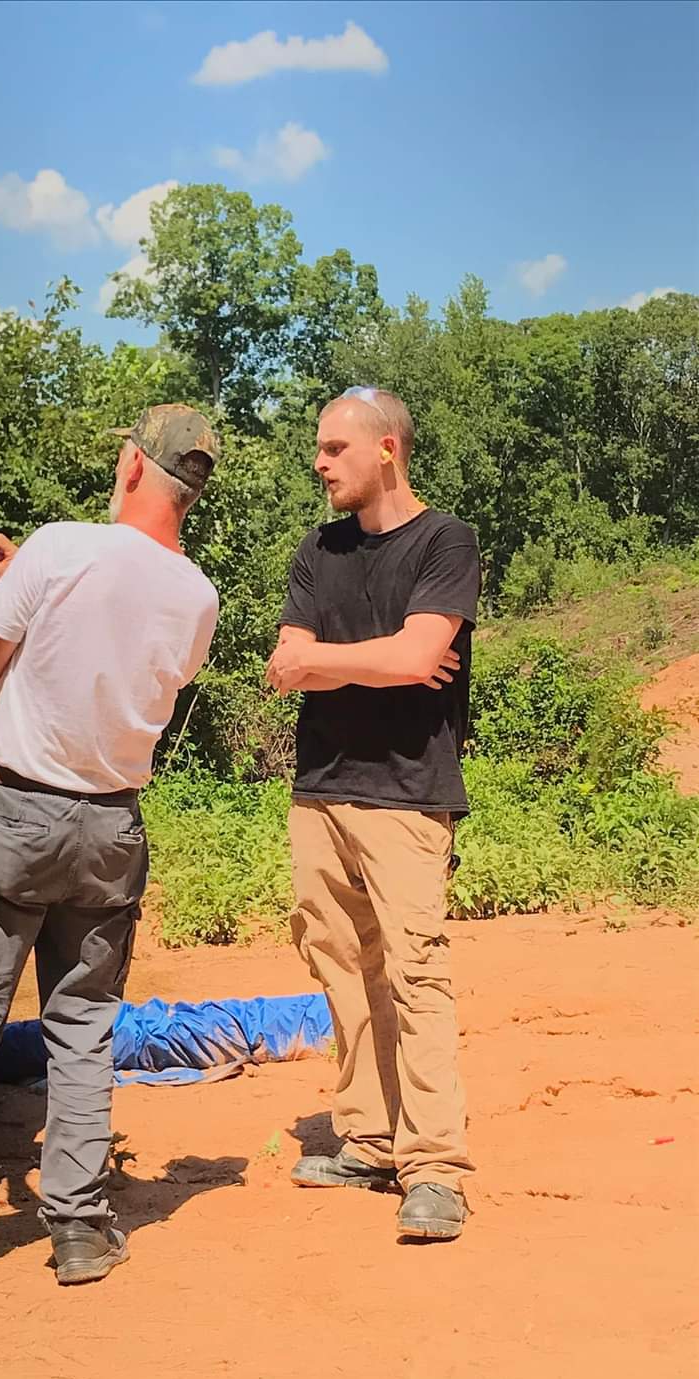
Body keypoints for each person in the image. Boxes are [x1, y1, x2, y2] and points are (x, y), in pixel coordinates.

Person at [0, 405, 220, 1290]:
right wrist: (28, 585)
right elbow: (112, 651)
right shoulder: (198, 595)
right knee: (81, 1032)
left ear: (132, 466)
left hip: (13, 815)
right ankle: (78, 1231)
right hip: (110, 827)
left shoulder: (60, 546)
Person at [266, 386, 480, 1241]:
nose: (319, 463)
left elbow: (420, 655)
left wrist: (337, 660)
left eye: (333, 449)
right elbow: (285, 665)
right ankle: (368, 1140)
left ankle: (435, 1169)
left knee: (414, 973)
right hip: (320, 790)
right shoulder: (319, 548)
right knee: (341, 969)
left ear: (387, 448)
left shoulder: (445, 540)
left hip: (408, 794)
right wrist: (382, 659)